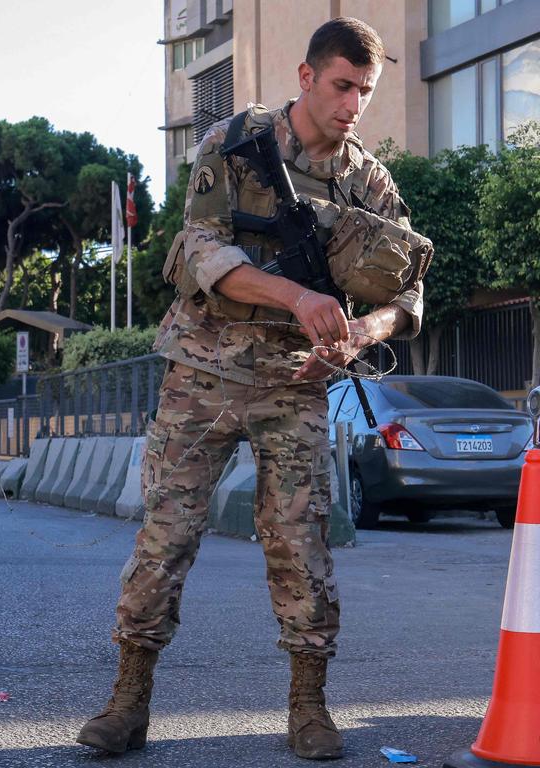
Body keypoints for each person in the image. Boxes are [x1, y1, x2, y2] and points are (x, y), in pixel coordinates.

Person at [77, 17, 426, 761]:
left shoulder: (369, 179)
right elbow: (201, 250)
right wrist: (297, 298)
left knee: (301, 545)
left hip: (295, 387)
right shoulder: (234, 143)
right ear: (306, 77)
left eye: (366, 91)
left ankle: (309, 706)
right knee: (166, 537)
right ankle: (128, 701)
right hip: (202, 373)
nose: (353, 105)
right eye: (342, 86)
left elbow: (410, 295)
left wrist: (359, 334)